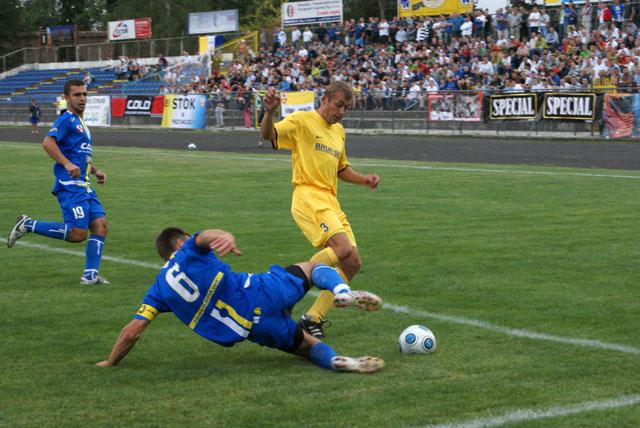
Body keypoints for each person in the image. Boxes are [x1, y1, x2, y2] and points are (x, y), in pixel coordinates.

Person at [96, 227, 384, 373]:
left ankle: (335, 361)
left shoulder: (158, 291)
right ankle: (342, 291)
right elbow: (206, 236)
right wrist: (223, 235)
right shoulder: (188, 252)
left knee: (308, 347)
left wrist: (111, 361)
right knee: (311, 269)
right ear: (181, 242)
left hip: (254, 329)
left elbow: (133, 331)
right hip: (259, 291)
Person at [260, 81, 380, 338]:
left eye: (346, 108)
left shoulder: (339, 132)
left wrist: (364, 179)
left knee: (352, 262)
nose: (341, 112)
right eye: (339, 105)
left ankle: (311, 319)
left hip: (330, 201)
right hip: (308, 195)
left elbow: (341, 169)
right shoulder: (302, 121)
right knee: (342, 249)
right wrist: (269, 112)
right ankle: (287, 288)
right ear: (325, 100)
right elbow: (267, 135)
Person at [7, 79, 109, 285]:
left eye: (84, 94)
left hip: (85, 185)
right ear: (66, 98)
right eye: (76, 95)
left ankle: (89, 276)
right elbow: (47, 142)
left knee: (100, 226)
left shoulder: (81, 124)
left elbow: (79, 154)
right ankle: (28, 225)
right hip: (71, 185)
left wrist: (95, 170)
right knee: (78, 234)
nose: (82, 98)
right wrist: (67, 164)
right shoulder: (67, 119)